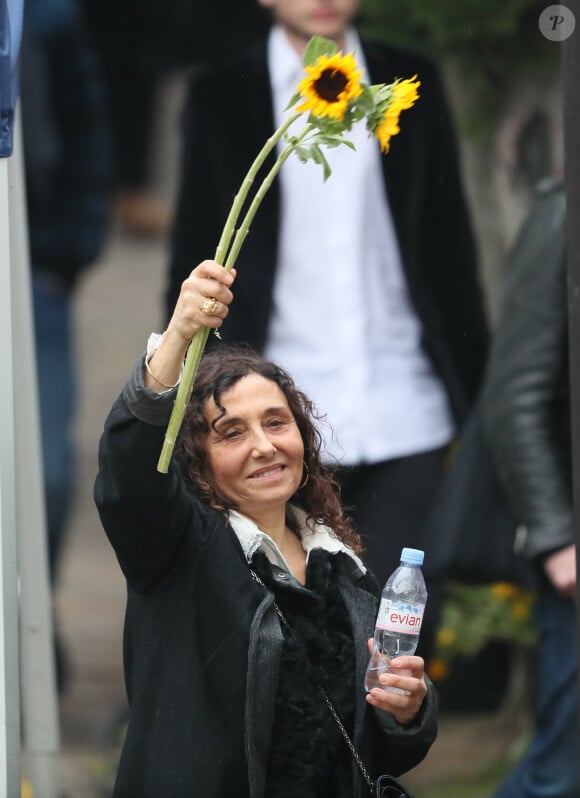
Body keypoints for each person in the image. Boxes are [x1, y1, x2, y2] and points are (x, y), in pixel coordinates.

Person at [164, 0, 489, 655]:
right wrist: (191, 391)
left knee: (399, 631)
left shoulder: (408, 82)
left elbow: (451, 254)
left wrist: (479, 401)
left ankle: (386, 757)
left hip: (406, 403)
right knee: (291, 631)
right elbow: (193, 256)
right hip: (278, 413)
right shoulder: (223, 91)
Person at [94, 259, 438, 797]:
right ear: (196, 462)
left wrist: (408, 710)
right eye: (231, 432)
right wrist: (179, 337)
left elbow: (371, 749)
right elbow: (128, 475)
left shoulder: (345, 572)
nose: (264, 445)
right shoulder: (175, 549)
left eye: (276, 422)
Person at [20, 0, 112, 690]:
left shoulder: (47, 16)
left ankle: (29, 619)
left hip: (31, 273)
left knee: (45, 471)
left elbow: (87, 135)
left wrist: (65, 257)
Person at [482, 179, 579, 796]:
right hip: (574, 548)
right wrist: (557, 540)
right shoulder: (562, 213)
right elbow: (513, 396)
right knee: (563, 772)